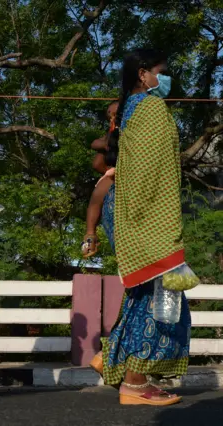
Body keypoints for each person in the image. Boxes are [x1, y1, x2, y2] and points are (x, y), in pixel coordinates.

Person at [91, 49, 190, 406]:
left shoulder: (130, 109)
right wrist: (159, 223)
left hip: (136, 214)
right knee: (161, 299)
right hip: (150, 217)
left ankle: (113, 357)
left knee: (143, 295)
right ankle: (134, 382)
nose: (165, 78)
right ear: (144, 74)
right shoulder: (149, 108)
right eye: (162, 72)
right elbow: (151, 172)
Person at [82, 101, 119, 258]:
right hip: (112, 170)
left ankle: (90, 234)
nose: (112, 117)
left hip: (129, 168)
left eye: (115, 113)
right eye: (110, 115)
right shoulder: (110, 132)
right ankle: (90, 234)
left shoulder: (133, 127)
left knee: (98, 196)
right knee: (97, 197)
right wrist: (106, 144)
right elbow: (94, 144)